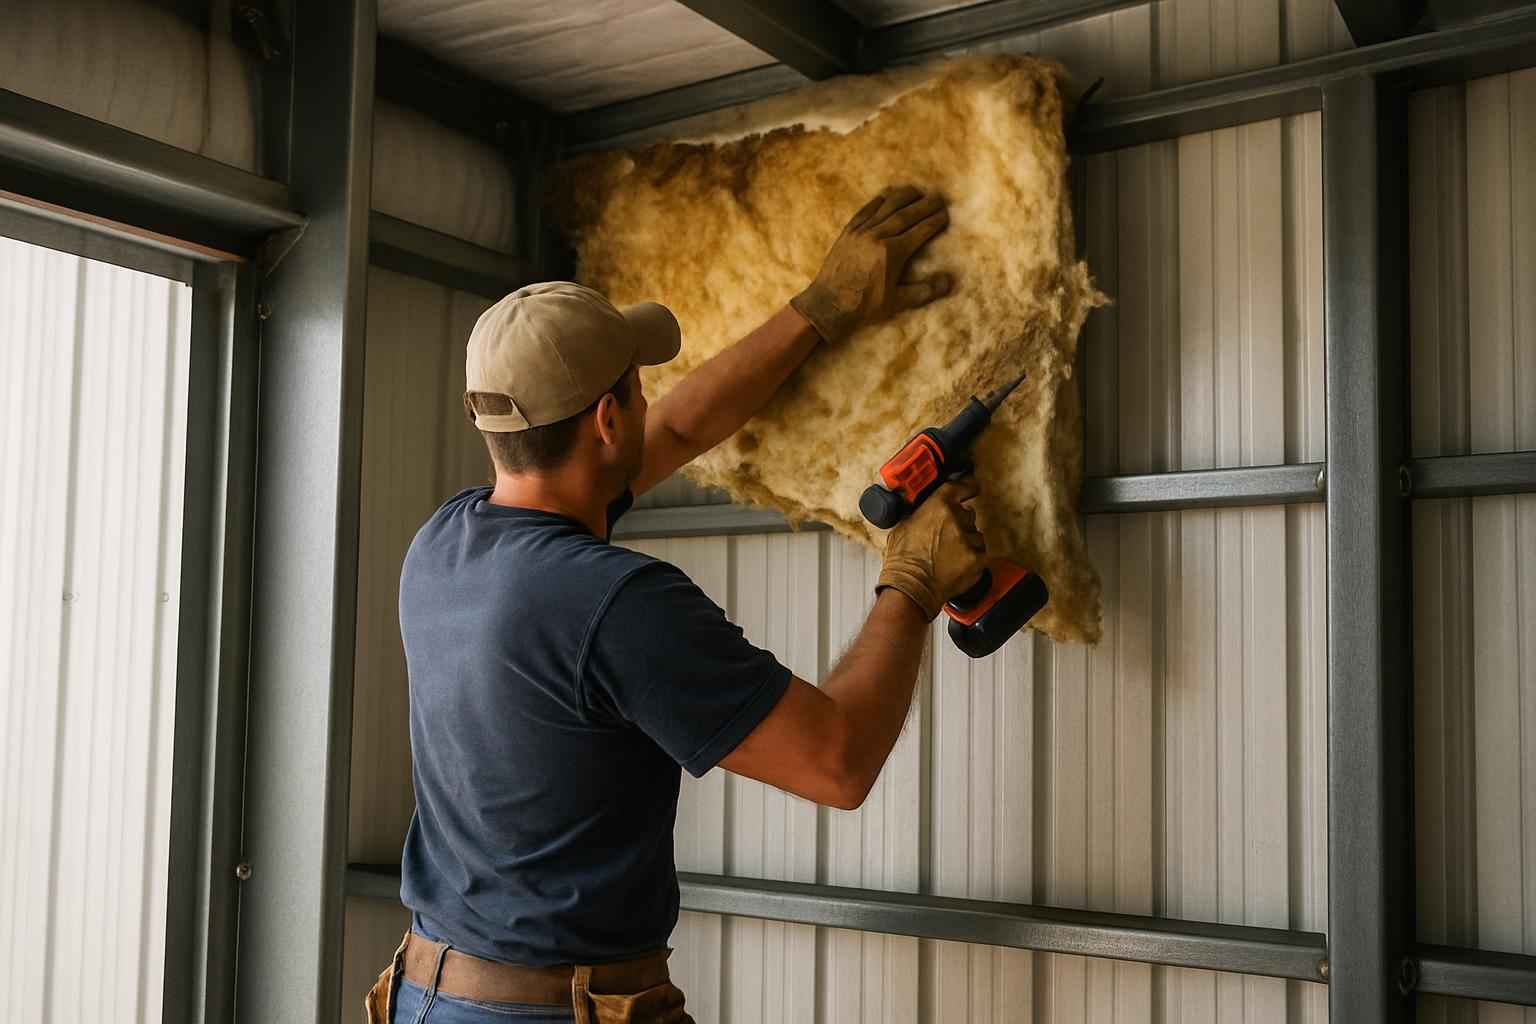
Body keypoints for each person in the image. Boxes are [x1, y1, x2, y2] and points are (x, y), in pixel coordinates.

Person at [366, 186, 989, 1024]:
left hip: (427, 993)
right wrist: (911, 581)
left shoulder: (445, 543)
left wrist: (821, 309)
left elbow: (684, 431)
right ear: (608, 419)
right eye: (637, 386)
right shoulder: (617, 603)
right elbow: (836, 763)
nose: (653, 402)